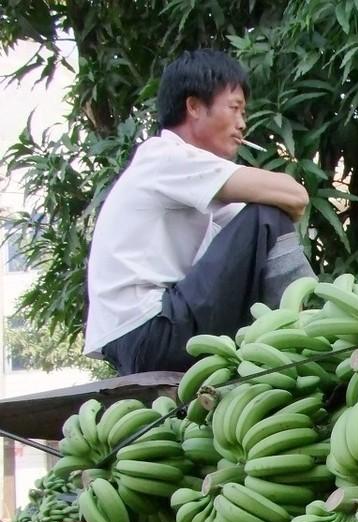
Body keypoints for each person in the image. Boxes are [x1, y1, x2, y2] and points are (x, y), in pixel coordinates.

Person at [84, 49, 315, 375]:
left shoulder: (187, 181)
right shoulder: (166, 157)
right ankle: (310, 326)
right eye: (234, 108)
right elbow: (294, 196)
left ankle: (285, 337)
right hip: (150, 329)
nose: (242, 124)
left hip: (143, 334)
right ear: (194, 106)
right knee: (266, 215)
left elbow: (246, 237)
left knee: (263, 221)